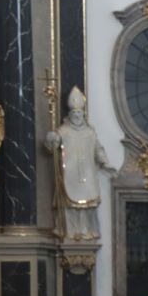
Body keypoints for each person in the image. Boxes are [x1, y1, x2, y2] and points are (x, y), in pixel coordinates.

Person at [44, 87, 114, 241]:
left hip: (87, 173)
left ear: (83, 114)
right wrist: (51, 139)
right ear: (70, 115)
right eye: (74, 113)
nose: (77, 116)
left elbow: (98, 149)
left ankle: (86, 229)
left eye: (79, 113)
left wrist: (105, 162)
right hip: (70, 172)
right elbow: (52, 147)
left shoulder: (90, 132)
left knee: (88, 202)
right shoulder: (63, 131)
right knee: (70, 202)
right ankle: (70, 230)